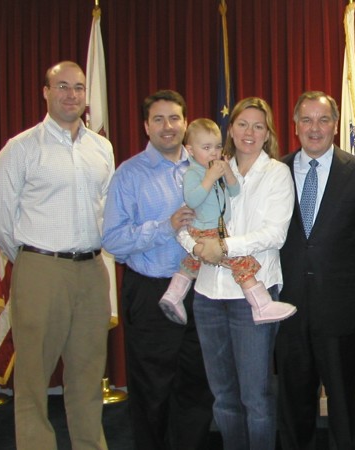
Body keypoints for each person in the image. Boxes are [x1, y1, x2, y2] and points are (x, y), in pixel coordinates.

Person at [0, 61, 114, 450]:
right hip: (41, 269)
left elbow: (106, 209)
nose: (71, 95)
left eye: (78, 87)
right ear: (45, 92)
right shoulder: (21, 149)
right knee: (33, 379)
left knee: (88, 376)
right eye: (62, 86)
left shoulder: (101, 147)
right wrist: (32, 259)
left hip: (92, 270)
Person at [102, 90, 214, 450]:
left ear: (185, 123)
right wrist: (164, 227)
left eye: (175, 118)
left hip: (201, 290)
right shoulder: (129, 174)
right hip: (151, 293)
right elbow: (114, 240)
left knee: (196, 385)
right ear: (145, 125)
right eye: (159, 119)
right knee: (152, 388)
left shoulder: (204, 167)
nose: (168, 127)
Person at [275, 91, 355, 450]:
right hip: (287, 307)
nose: (314, 128)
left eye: (323, 120)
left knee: (340, 399)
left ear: (336, 126)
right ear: (295, 126)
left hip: (339, 308)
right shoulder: (276, 172)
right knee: (293, 401)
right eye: (306, 120)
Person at [189, 97, 294, 450]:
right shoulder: (210, 167)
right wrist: (193, 243)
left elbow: (274, 234)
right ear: (230, 129)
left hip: (253, 298)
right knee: (224, 398)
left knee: (257, 397)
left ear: (268, 134)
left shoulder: (277, 173)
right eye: (242, 124)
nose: (249, 132)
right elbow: (189, 217)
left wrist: (225, 246)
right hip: (207, 294)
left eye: (258, 126)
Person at [158, 118, 296, 326]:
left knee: (191, 264)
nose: (213, 153)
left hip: (216, 237)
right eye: (206, 148)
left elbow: (235, 191)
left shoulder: (272, 172)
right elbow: (191, 202)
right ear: (190, 150)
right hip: (206, 234)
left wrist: (227, 173)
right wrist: (210, 178)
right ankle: (261, 305)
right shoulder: (194, 173)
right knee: (242, 263)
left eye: (217, 147)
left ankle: (173, 295)